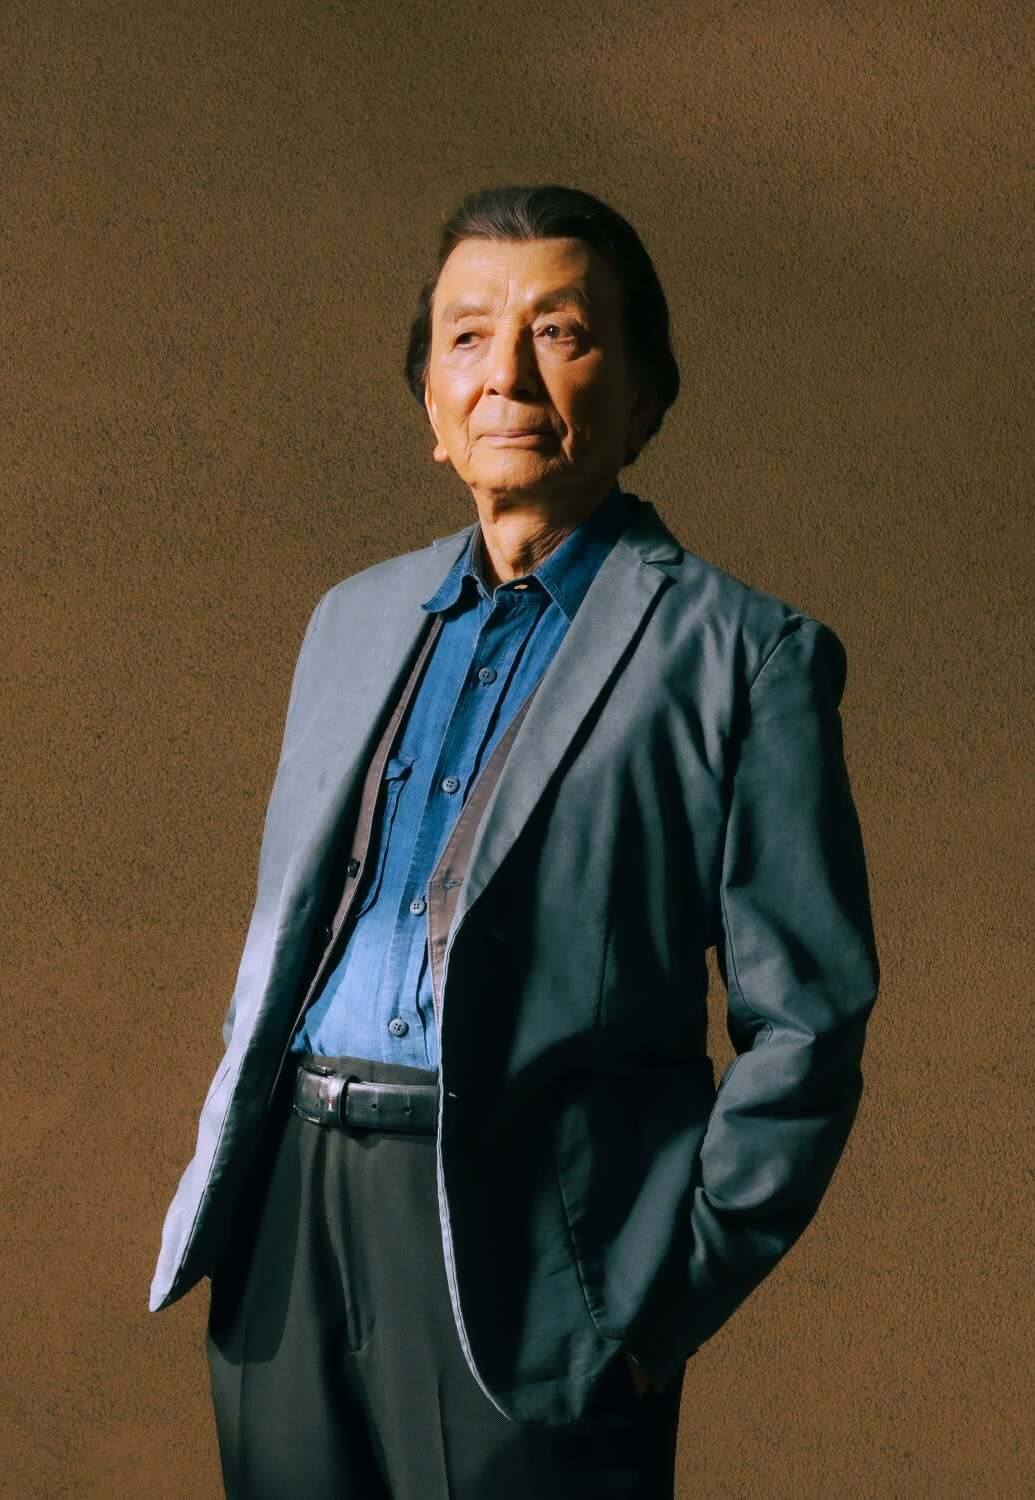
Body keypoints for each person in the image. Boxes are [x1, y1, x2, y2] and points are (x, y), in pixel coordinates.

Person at [149, 184, 880, 1499]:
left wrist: (656, 1306)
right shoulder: (348, 622)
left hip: (533, 1238)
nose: (508, 374)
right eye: (467, 337)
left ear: (647, 391)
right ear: (430, 404)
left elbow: (808, 1024)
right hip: (288, 1213)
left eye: (561, 333)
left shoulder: (740, 654)